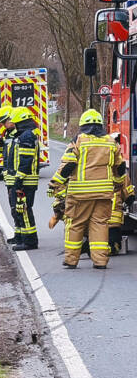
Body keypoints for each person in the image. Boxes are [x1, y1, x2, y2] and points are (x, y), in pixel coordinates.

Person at [48, 109, 123, 269]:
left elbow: (68, 165)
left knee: (75, 224)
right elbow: (120, 168)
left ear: (83, 125)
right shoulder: (111, 142)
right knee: (100, 225)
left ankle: (71, 260)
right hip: (104, 194)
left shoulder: (79, 140)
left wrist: (55, 183)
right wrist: (117, 185)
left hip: (80, 194)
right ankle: (100, 261)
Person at [8, 106, 41, 251]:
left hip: (26, 181)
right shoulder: (26, 135)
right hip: (26, 180)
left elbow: (26, 160)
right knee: (22, 210)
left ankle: (30, 242)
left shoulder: (26, 136)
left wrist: (19, 179)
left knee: (24, 210)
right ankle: (23, 238)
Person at [0, 104, 20, 246]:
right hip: (9, 177)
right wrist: (0, 143)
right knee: (13, 208)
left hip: (15, 177)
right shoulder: (8, 134)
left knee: (17, 208)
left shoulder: (17, 134)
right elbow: (4, 153)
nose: (3, 125)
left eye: (5, 122)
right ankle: (18, 234)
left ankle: (22, 235)